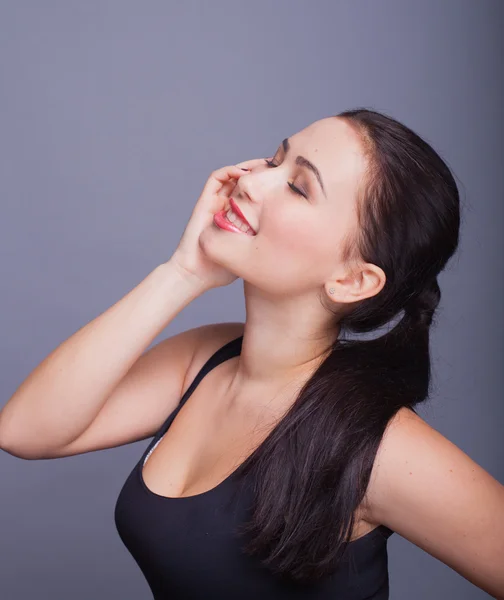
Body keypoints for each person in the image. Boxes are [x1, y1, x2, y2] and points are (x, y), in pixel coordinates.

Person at [1, 109, 503, 599]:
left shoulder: (378, 447)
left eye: (298, 186)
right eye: (273, 159)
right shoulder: (206, 358)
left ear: (352, 279)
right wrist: (183, 273)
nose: (249, 179)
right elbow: (23, 431)